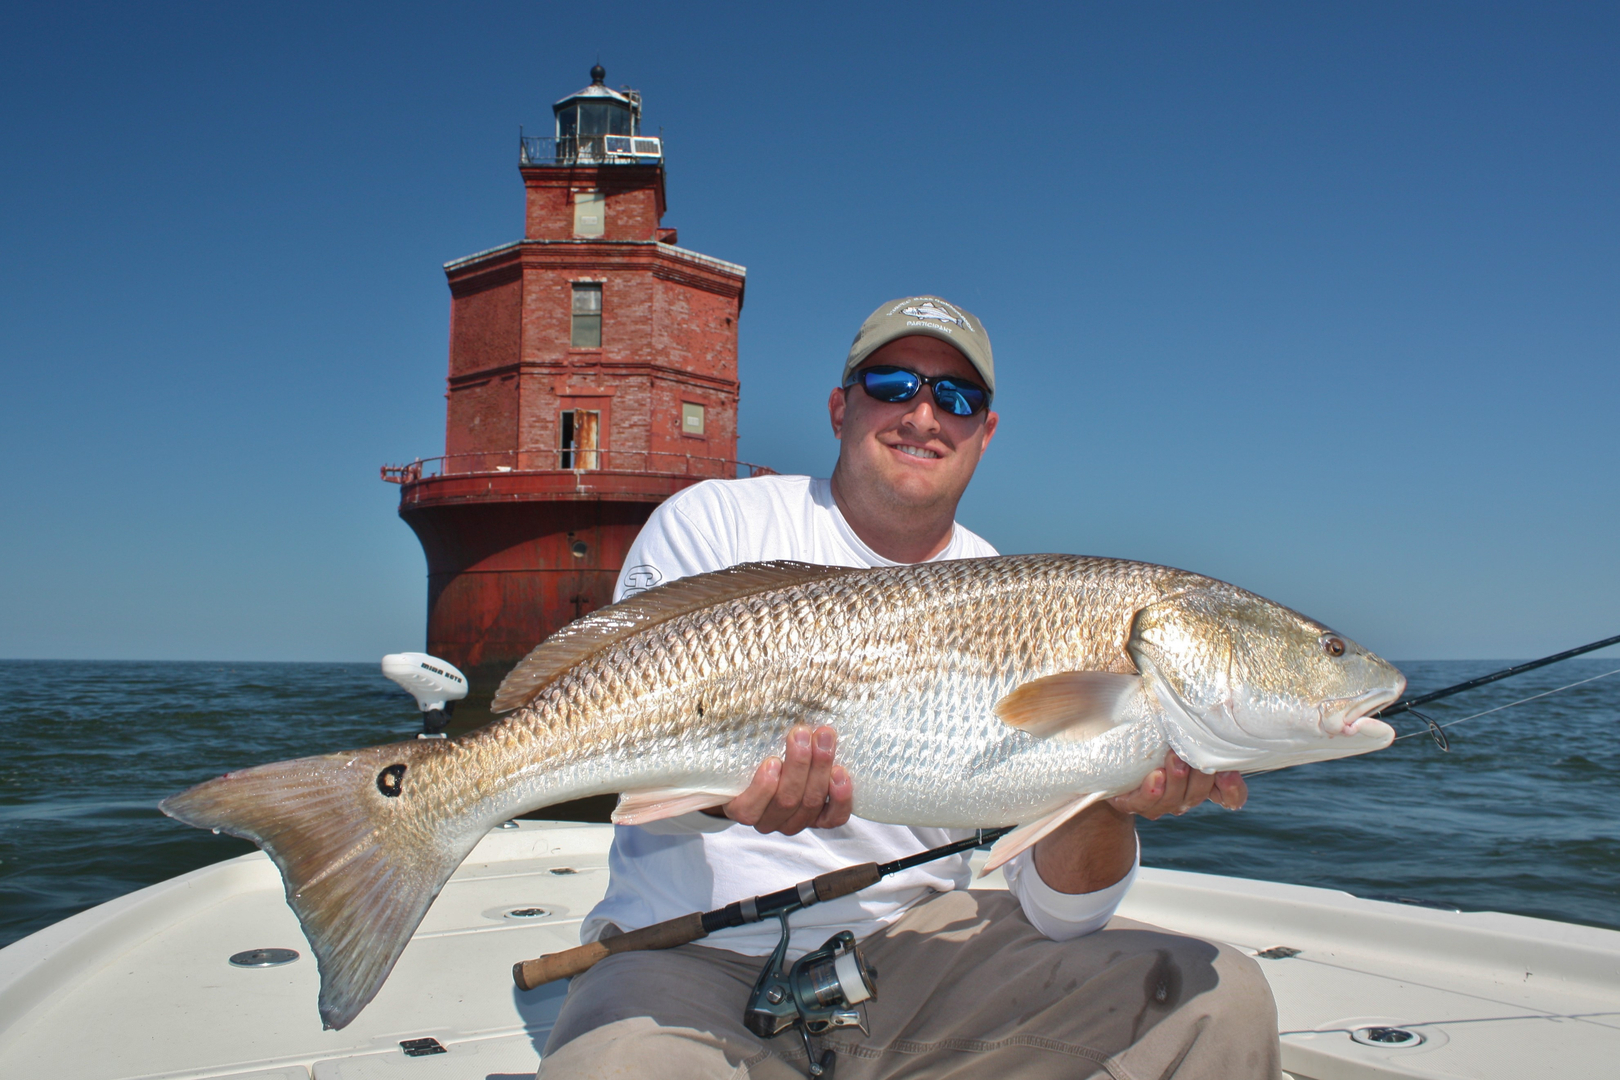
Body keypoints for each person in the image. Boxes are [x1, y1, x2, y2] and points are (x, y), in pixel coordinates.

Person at [538, 297, 1281, 1079]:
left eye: (959, 398)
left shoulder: (1027, 594)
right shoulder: (718, 524)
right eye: (893, 384)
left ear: (985, 434)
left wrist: (1111, 793)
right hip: (686, 954)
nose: (925, 414)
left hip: (918, 959)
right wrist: (724, 795)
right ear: (839, 407)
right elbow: (636, 778)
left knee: (1219, 1002)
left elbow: (1064, 913)